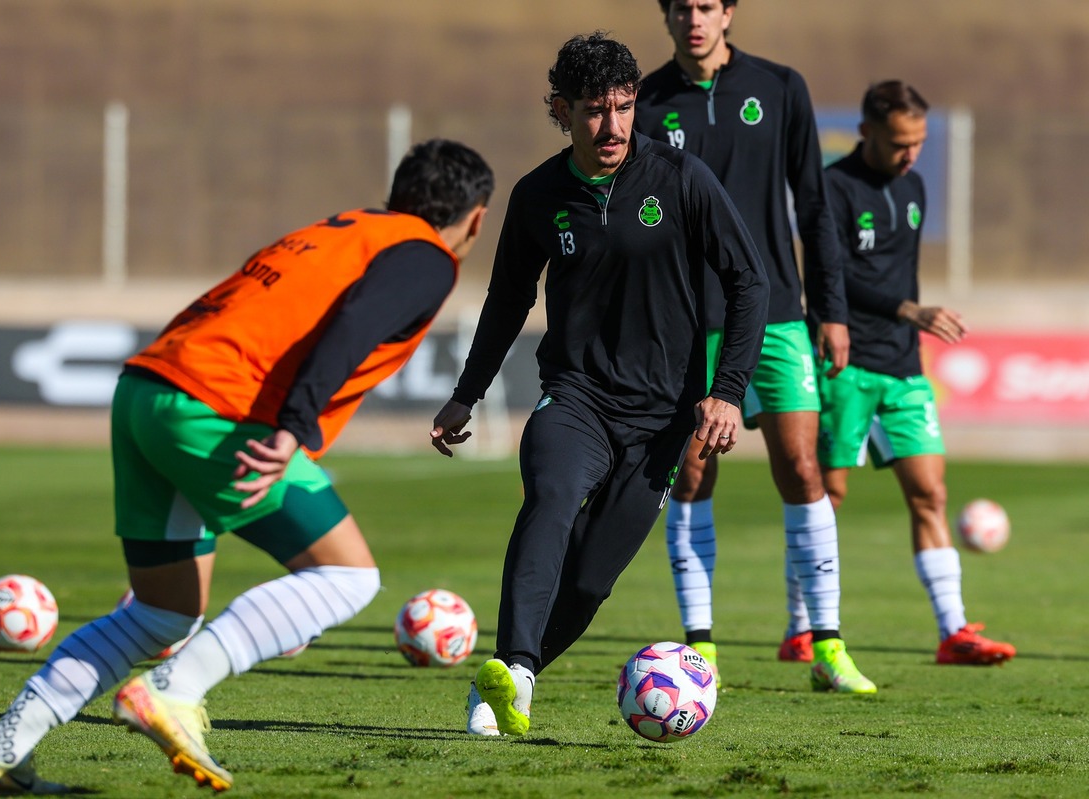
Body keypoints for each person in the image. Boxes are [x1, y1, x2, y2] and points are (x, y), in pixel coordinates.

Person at [0, 138, 495, 794]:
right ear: (476, 219)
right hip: (219, 404)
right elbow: (354, 325)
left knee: (162, 612)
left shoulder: (338, 230)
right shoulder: (426, 256)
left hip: (148, 389)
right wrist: (295, 426)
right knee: (348, 576)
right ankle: (174, 689)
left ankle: (1, 748)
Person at [430, 32, 769, 737]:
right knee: (551, 497)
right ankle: (514, 670)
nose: (611, 126)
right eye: (592, 110)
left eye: (622, 107)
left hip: (663, 423)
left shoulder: (681, 180)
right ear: (560, 109)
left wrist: (729, 389)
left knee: (589, 580)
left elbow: (749, 281)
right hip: (575, 397)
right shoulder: (537, 197)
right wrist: (468, 391)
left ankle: (510, 678)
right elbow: (506, 300)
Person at [635, 0, 876, 693]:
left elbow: (814, 204)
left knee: (803, 470)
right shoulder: (647, 102)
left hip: (775, 314)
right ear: (666, 15)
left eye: (707, 5)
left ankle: (827, 645)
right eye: (680, 7)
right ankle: (701, 645)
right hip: (688, 322)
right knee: (690, 474)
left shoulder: (780, 87)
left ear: (730, 12)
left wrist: (830, 309)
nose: (694, 18)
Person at [814, 80, 1015, 666]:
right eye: (901, 143)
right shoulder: (831, 189)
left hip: (903, 366)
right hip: (845, 363)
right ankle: (805, 628)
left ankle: (953, 632)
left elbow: (898, 272)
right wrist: (909, 311)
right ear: (866, 133)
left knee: (930, 492)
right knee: (827, 496)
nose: (911, 154)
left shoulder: (916, 185)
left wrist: (909, 318)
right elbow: (832, 277)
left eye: (920, 142)